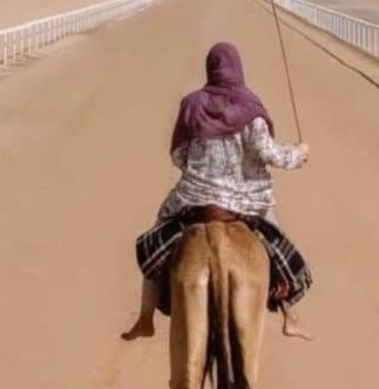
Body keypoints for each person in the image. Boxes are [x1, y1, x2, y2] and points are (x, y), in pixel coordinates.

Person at [122, 42, 313, 341]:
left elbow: (177, 157)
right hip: (249, 201)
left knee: (156, 236)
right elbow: (269, 153)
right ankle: (289, 314)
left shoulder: (191, 104)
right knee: (278, 243)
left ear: (211, 69)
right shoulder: (251, 107)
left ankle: (145, 317)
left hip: (195, 198)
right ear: (238, 70)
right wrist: (298, 154)